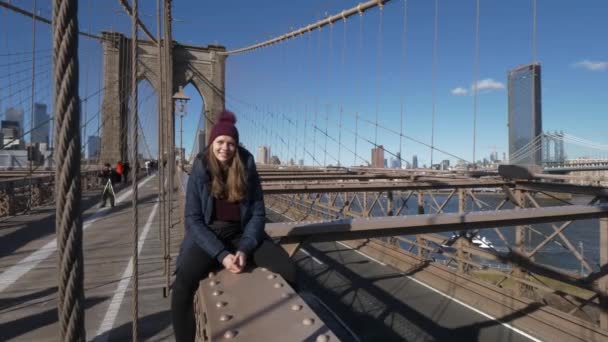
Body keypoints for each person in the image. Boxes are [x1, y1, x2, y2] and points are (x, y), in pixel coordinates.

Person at [171, 110, 295, 342]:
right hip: (209, 233)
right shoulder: (201, 166)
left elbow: (258, 214)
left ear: (236, 145)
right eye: (220, 142)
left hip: (241, 232)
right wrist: (221, 255)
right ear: (211, 143)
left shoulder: (247, 165)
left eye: (230, 143)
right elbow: (194, 220)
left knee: (289, 271)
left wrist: (245, 248)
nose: (224, 148)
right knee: (182, 287)